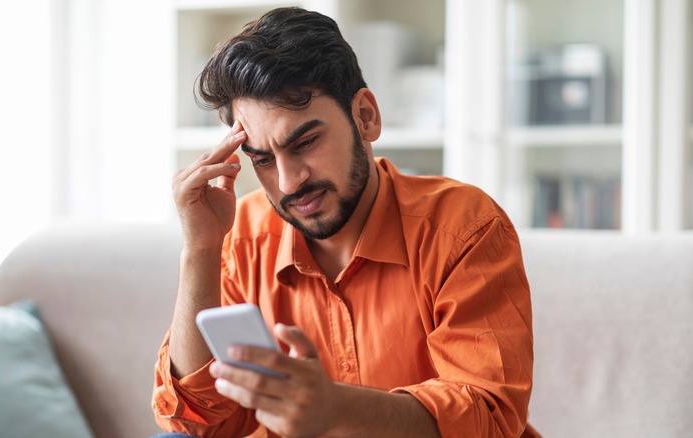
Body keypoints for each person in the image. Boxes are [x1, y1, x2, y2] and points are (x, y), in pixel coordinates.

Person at [152, 7, 537, 438]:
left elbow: (490, 416)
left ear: (366, 117)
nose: (288, 182)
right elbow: (192, 422)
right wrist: (200, 249)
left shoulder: (463, 228)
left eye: (306, 142)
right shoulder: (242, 235)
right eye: (262, 159)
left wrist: (335, 410)